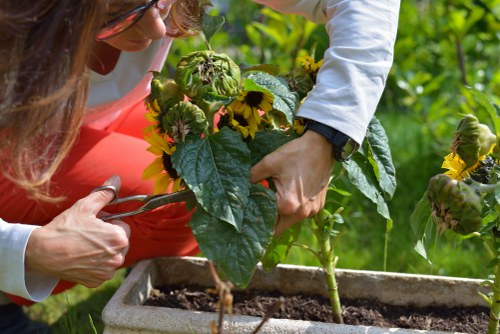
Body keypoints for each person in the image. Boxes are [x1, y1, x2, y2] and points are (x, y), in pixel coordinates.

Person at [0, 0, 400, 332]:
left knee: (243, 167)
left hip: (86, 117)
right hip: (17, 139)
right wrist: (26, 251)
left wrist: (327, 132)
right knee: (188, 197)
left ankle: (142, 281)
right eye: (121, 12)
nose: (159, 28)